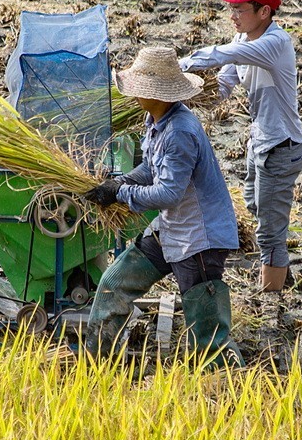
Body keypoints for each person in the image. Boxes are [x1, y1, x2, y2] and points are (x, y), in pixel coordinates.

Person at [83, 47, 244, 367]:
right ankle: (97, 366)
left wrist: (122, 193)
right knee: (114, 284)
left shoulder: (180, 132)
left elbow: (168, 193)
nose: (133, 93)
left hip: (199, 239)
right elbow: (152, 168)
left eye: (139, 87)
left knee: (208, 334)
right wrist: (117, 183)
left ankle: (229, 386)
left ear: (155, 93)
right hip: (171, 228)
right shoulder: (156, 119)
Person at [178, 0, 302, 292]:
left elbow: (225, 55)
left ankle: (272, 299)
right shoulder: (243, 40)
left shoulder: (275, 44)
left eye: (239, 9)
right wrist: (185, 94)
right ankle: (280, 268)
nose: (232, 15)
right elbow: (223, 84)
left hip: (281, 146)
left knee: (268, 232)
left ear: (264, 12)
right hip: (258, 141)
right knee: (254, 205)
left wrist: (181, 65)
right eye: (231, 8)